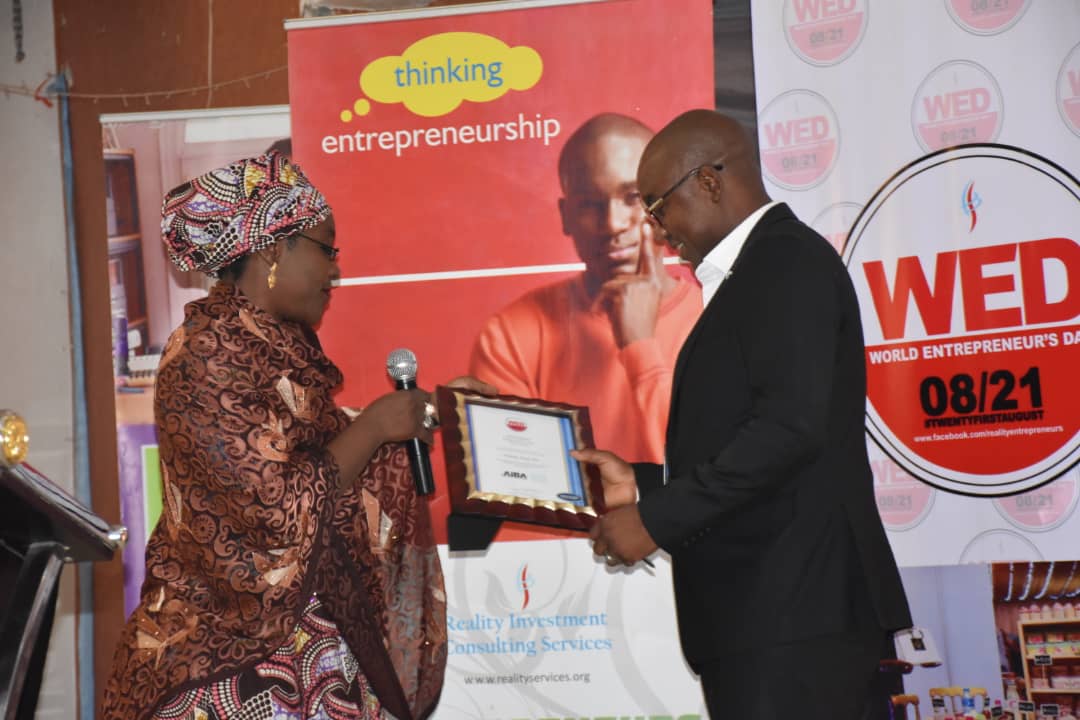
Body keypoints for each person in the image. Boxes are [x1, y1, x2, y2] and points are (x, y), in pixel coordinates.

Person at [101, 151, 492, 720]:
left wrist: (431, 412)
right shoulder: (205, 356)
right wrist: (377, 426)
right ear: (273, 250)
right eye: (326, 249)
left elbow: (330, 455)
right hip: (226, 662)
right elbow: (273, 509)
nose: (335, 271)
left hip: (313, 652)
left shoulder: (276, 349)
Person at [574, 110, 912, 719]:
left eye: (658, 207)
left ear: (707, 181)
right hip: (775, 620)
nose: (656, 230)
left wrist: (656, 519)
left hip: (798, 619)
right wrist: (645, 484)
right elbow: (748, 439)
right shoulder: (756, 272)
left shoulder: (785, 263)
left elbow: (789, 430)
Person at [469, 113, 701, 465]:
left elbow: (707, 472)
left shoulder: (714, 316)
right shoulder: (511, 334)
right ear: (566, 216)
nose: (613, 224)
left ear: (663, 204)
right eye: (590, 204)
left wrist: (640, 347)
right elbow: (518, 480)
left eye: (632, 197)